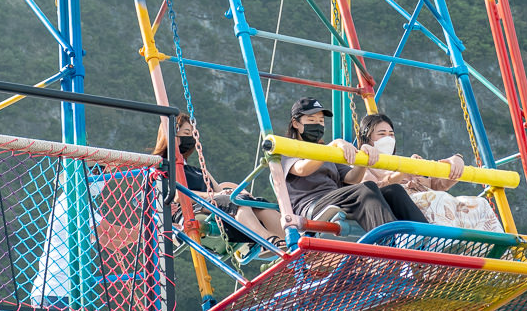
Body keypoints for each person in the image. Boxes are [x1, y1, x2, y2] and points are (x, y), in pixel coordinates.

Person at [281, 97, 427, 233]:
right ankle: (391, 240)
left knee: (393, 190)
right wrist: (333, 146)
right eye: (311, 120)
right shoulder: (289, 148)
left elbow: (352, 178)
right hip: (312, 205)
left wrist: (363, 160)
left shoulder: (326, 153)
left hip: (337, 199)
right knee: (366, 188)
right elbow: (302, 169)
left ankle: (424, 237)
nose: (317, 124)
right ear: (296, 123)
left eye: (321, 121)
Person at [153, 113, 286, 249]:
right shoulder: (164, 167)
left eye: (193, 134)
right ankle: (268, 240)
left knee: (257, 204)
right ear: (172, 136)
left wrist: (228, 192)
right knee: (237, 202)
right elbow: (179, 196)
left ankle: (288, 241)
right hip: (191, 208)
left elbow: (219, 190)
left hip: (214, 204)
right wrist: (213, 196)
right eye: (187, 133)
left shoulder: (197, 170)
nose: (191, 138)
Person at [355, 113, 503, 233]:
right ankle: (442, 243)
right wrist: (403, 173)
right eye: (382, 134)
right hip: (402, 205)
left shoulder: (403, 161)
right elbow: (371, 191)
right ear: (367, 137)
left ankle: (493, 250)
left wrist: (455, 160)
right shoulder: (363, 164)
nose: (388, 138)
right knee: (437, 198)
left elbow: (437, 184)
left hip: (430, 198)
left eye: (391, 134)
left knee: (479, 203)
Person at [31, 166, 138, 311]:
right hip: (55, 293)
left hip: (64, 293)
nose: (101, 177)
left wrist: (148, 226)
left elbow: (115, 242)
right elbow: (115, 235)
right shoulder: (72, 203)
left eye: (102, 172)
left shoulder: (78, 202)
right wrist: (151, 224)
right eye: (95, 172)